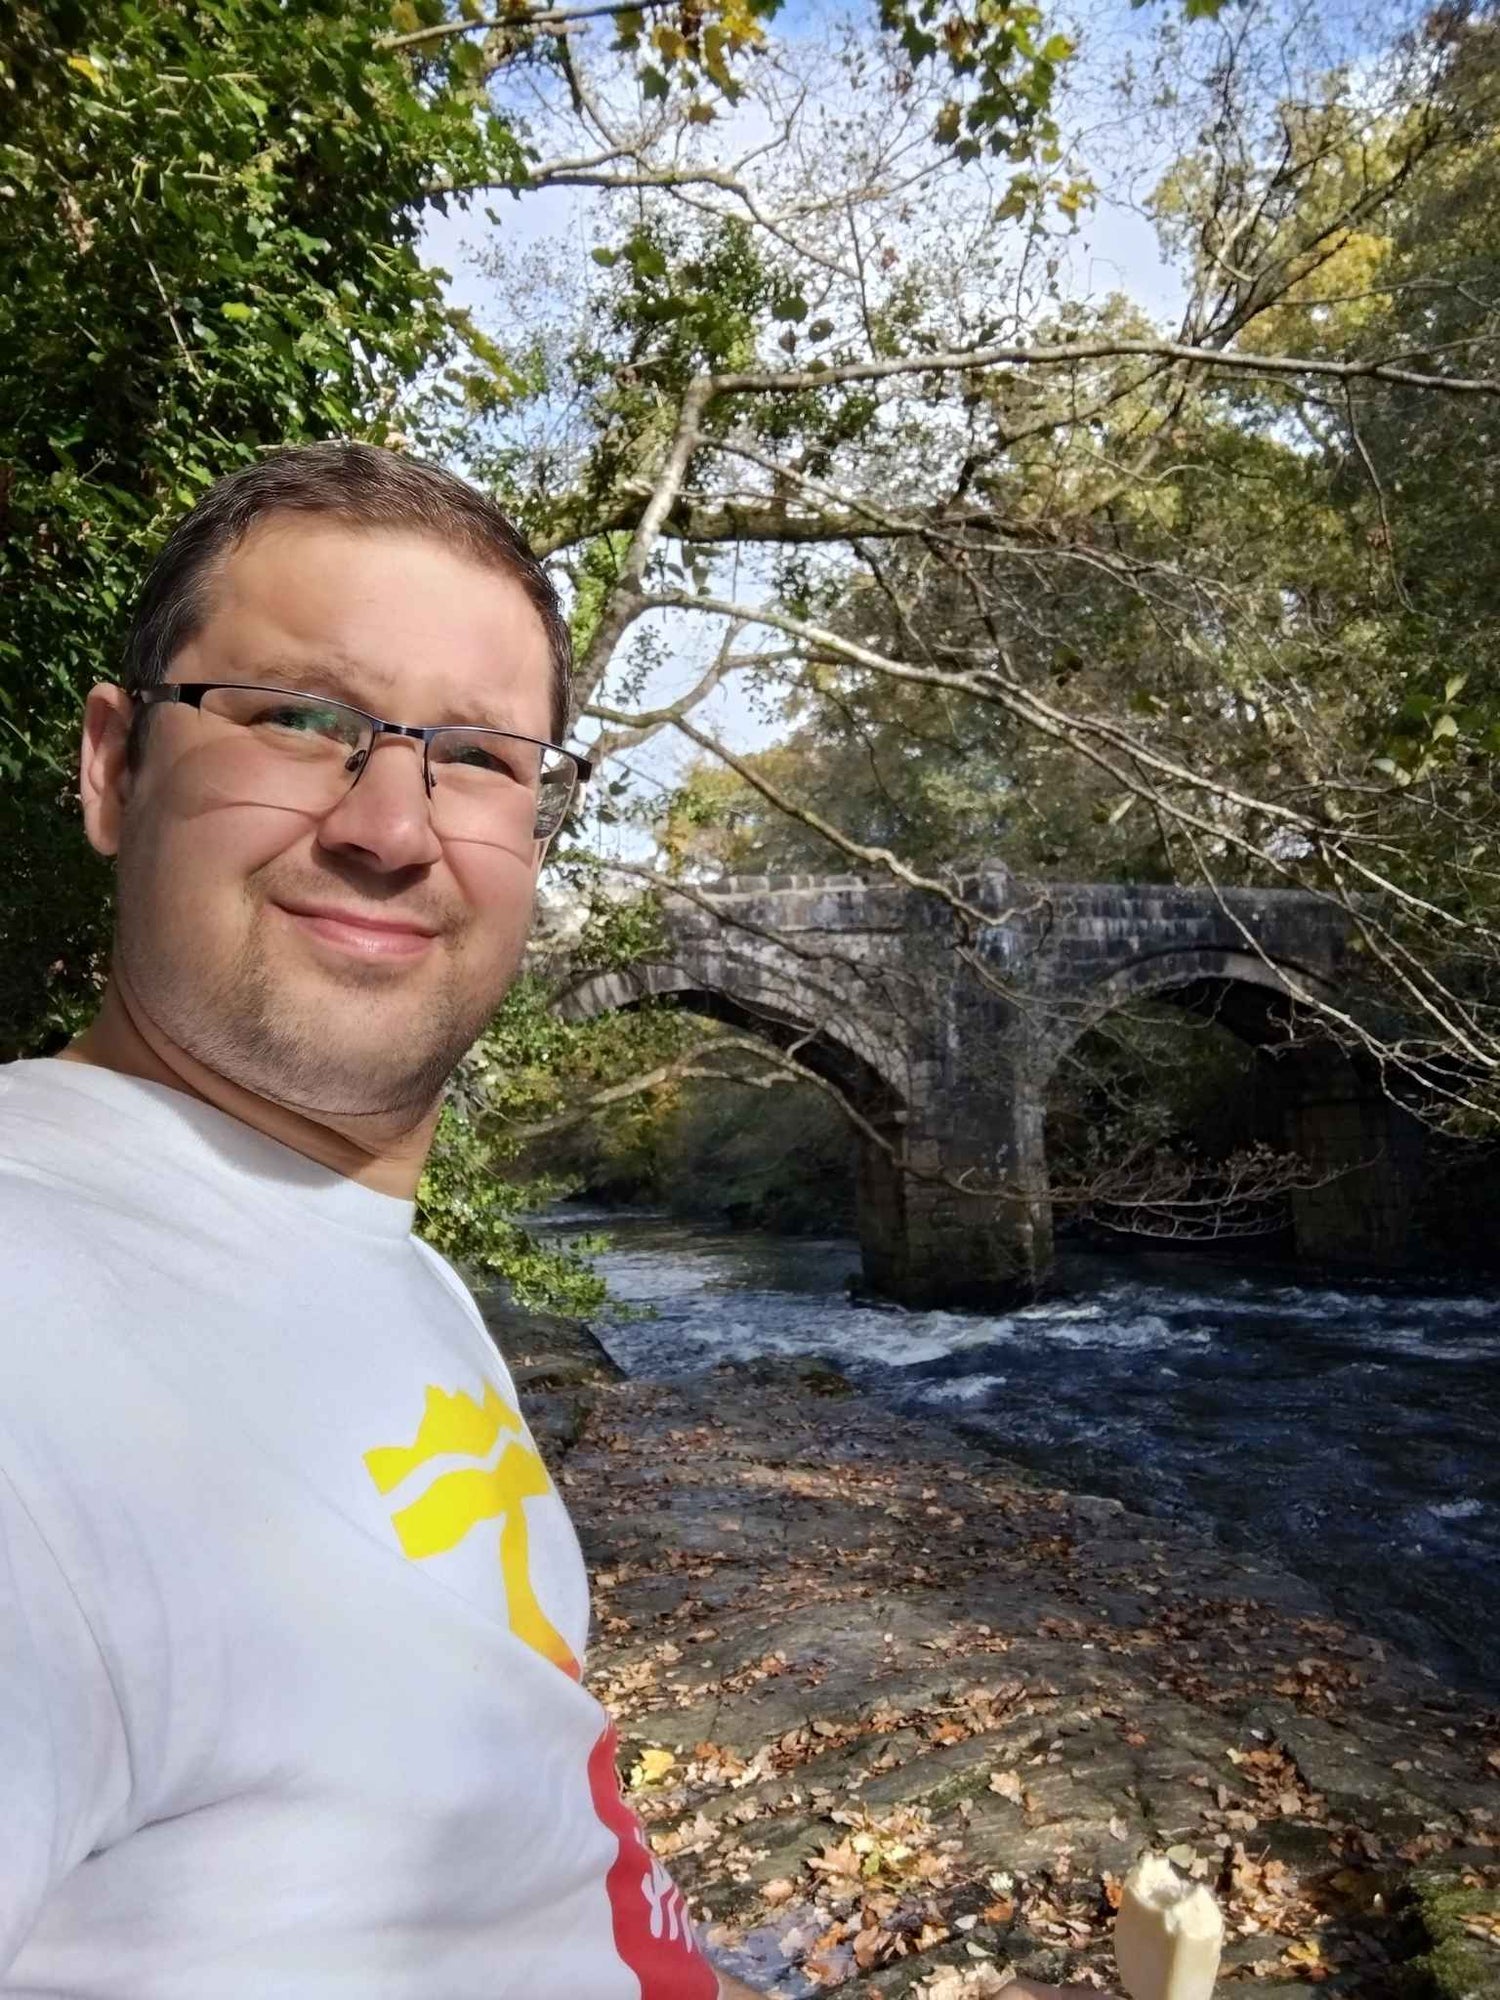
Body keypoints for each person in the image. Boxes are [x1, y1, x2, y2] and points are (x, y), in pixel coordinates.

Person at [0, 443, 1103, 2000]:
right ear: (114, 768)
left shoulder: (398, 1282)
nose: (393, 821)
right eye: (303, 718)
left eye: (478, 757)